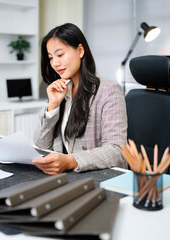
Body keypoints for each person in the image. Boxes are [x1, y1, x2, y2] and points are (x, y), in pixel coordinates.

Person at [32, 23, 127, 175]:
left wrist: (71, 160)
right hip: (64, 177)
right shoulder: (61, 90)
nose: (55, 63)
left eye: (60, 55)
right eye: (51, 58)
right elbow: (40, 145)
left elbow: (117, 150)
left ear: (80, 51)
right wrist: (53, 105)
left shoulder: (108, 90)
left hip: (94, 177)